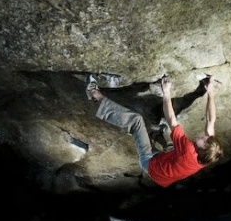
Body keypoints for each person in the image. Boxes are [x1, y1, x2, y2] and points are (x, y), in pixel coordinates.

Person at [86, 74, 223, 188]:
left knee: (136, 120)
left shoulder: (187, 150)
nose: (203, 136)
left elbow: (171, 119)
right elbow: (211, 120)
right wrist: (211, 91)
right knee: (171, 147)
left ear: (201, 150)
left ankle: (94, 94)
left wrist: (166, 92)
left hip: (150, 164)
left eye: (204, 140)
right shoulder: (208, 156)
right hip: (165, 174)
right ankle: (156, 136)